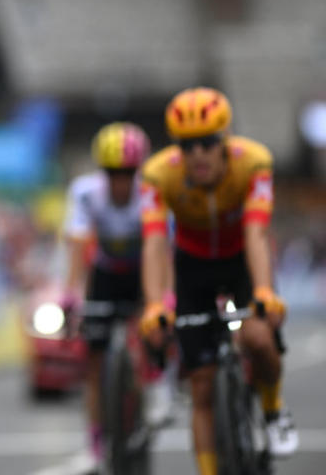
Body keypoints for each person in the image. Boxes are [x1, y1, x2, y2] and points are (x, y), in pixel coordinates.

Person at [138, 87, 298, 475]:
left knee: (259, 337)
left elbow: (256, 233)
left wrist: (262, 291)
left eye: (207, 143)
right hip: (193, 267)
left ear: (224, 140)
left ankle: (274, 412)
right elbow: (156, 244)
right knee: (202, 385)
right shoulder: (158, 174)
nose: (198, 155)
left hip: (243, 260)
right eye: (187, 145)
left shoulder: (255, 162)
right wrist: (156, 304)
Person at [63, 121, 173, 471]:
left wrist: (163, 298)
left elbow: (164, 251)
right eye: (113, 173)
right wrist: (71, 295)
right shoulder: (85, 192)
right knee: (95, 365)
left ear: (137, 170)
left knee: (154, 326)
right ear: (102, 171)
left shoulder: (152, 191)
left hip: (144, 272)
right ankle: (97, 438)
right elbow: (78, 248)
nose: (121, 181)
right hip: (106, 274)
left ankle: (155, 385)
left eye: (127, 172)